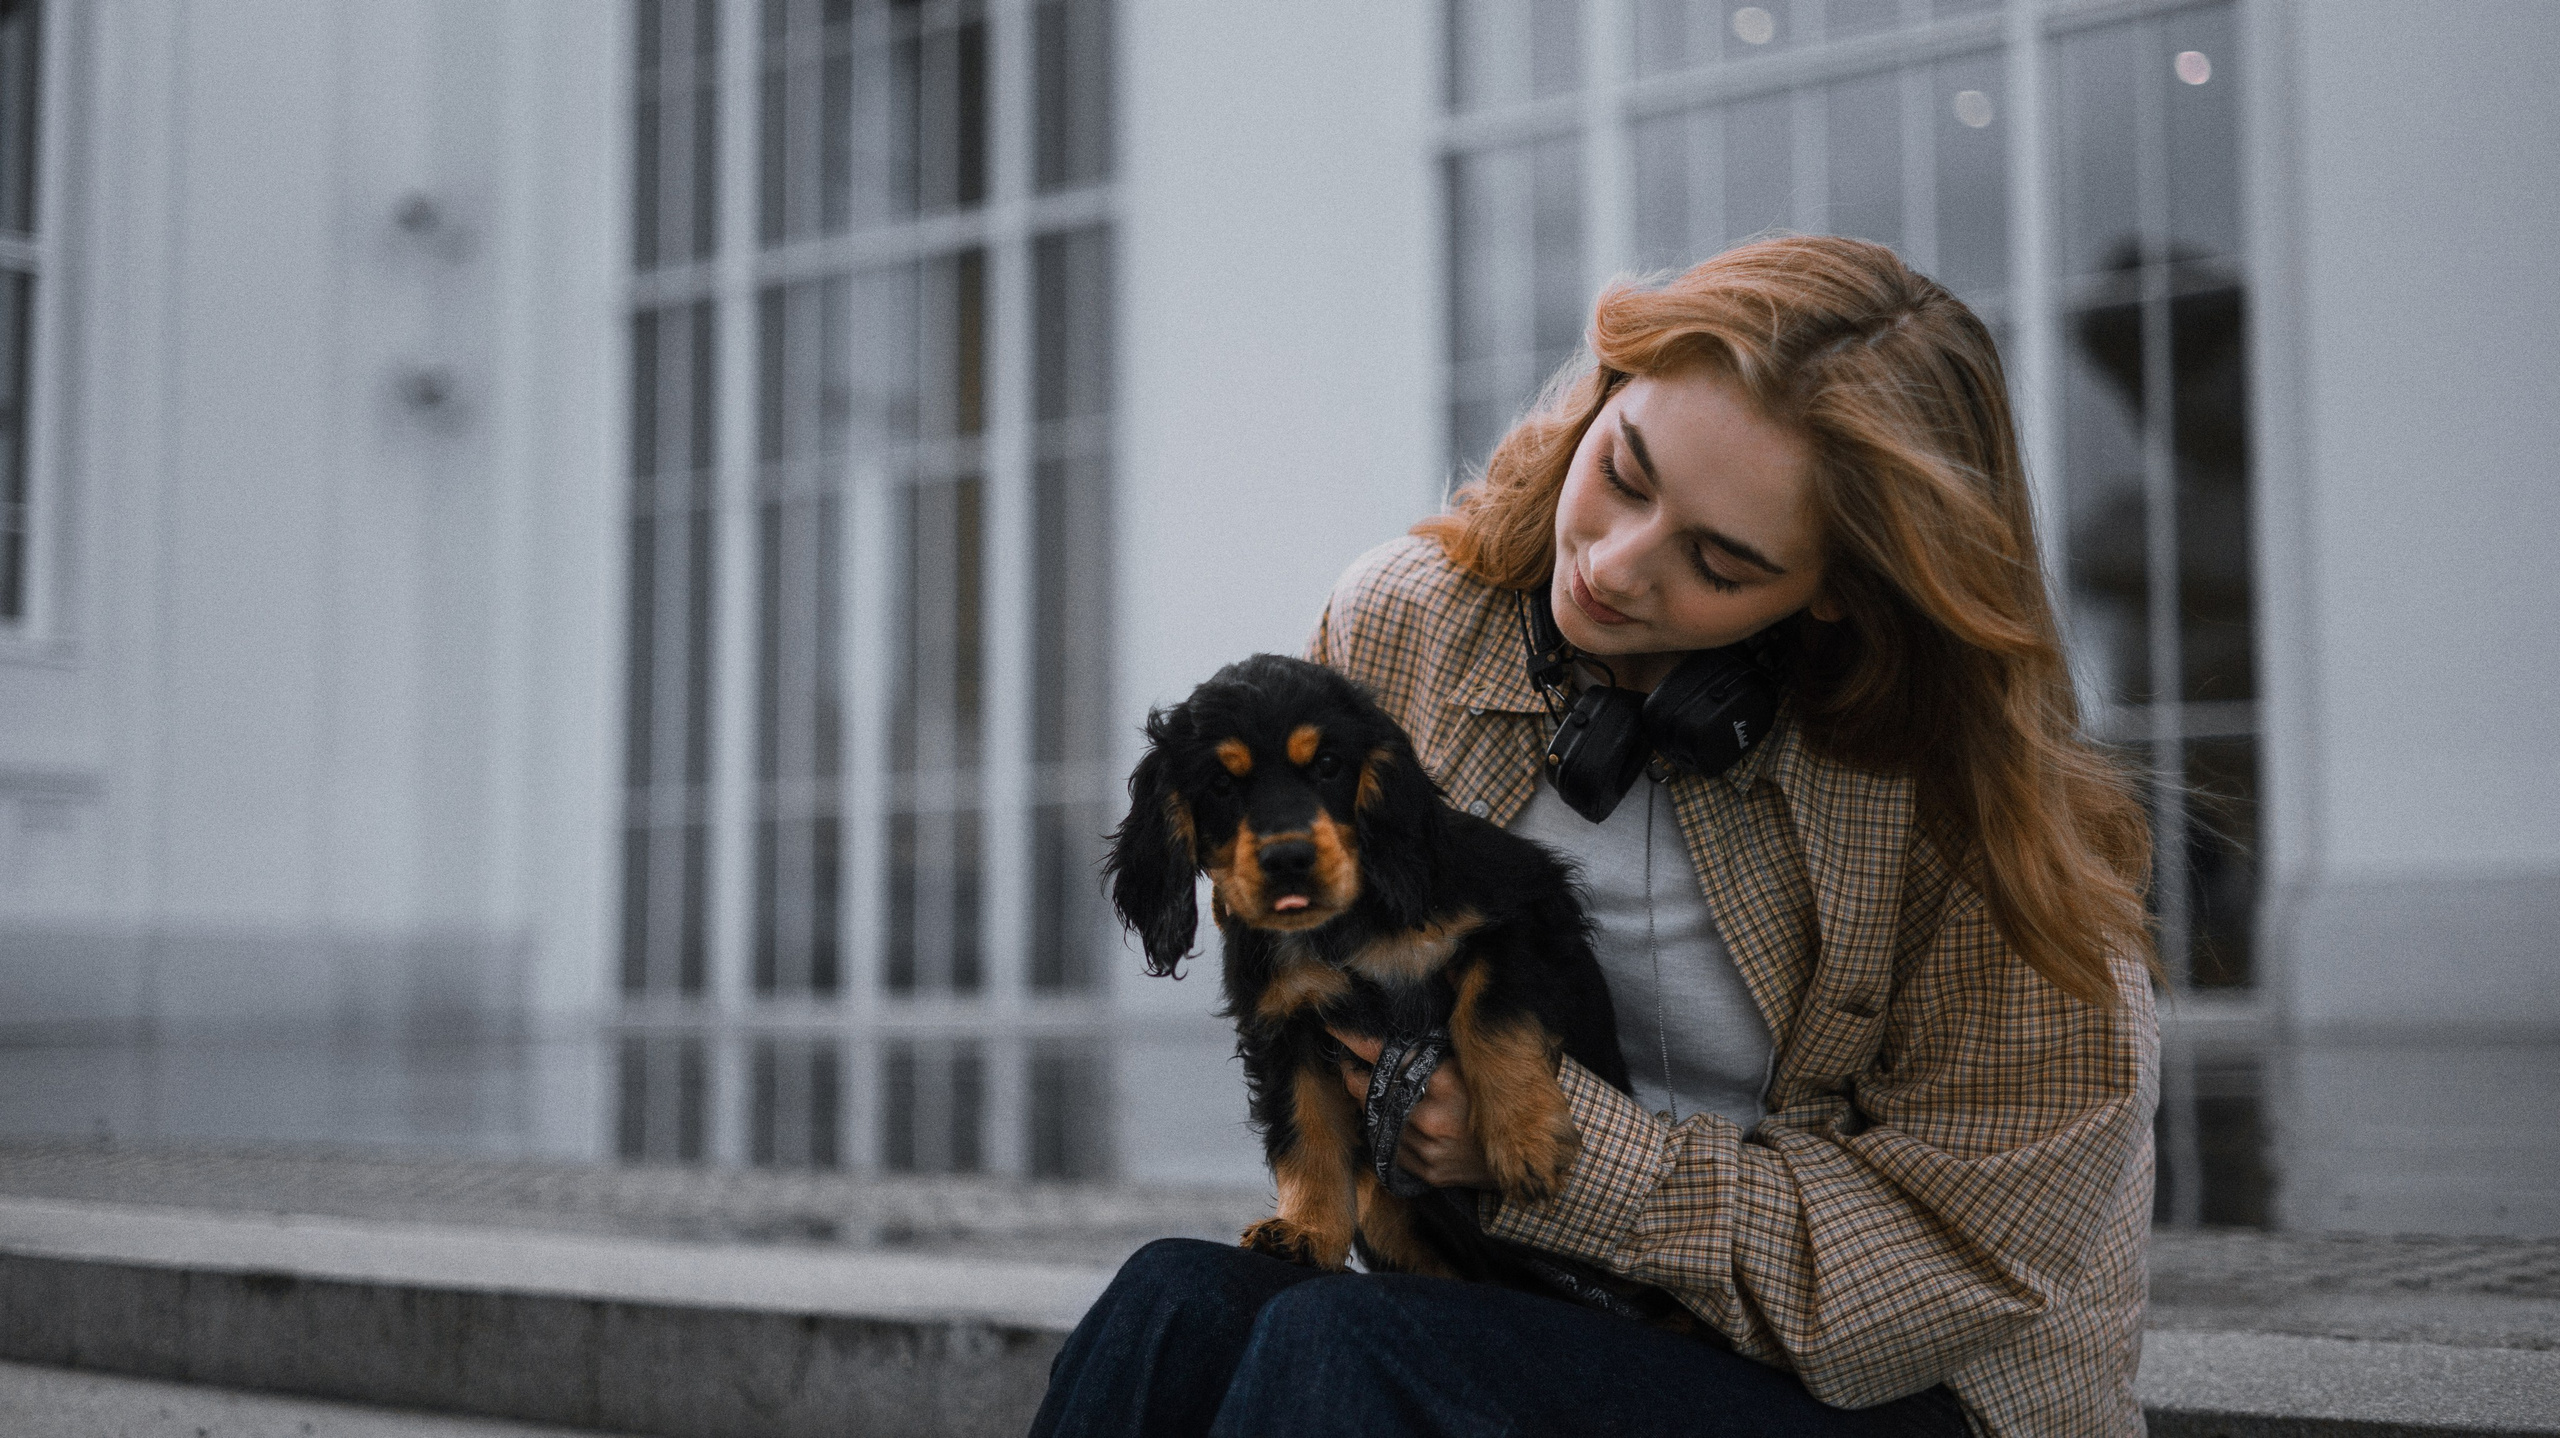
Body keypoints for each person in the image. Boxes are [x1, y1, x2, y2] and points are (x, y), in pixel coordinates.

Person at [1029, 236, 2159, 1438]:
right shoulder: (1406, 624)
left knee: (1347, 1347)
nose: (1613, 568)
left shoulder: (1973, 804)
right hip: (1542, 1309)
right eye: (1622, 472)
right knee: (1172, 1301)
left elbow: (1965, 1256)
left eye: (1717, 560)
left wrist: (1561, 1157)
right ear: (1609, 390)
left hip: (1897, 1391)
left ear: (1840, 586)